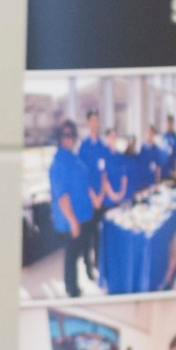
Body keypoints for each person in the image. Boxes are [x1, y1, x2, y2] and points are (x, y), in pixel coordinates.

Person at [49, 118, 104, 295]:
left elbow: (85, 181)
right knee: (71, 256)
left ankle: (86, 275)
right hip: (72, 219)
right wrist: (72, 220)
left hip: (85, 214)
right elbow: (62, 196)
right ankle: (71, 289)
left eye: (72, 134)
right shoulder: (58, 163)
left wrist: (94, 197)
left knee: (82, 250)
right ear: (59, 137)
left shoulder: (74, 157)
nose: (69, 138)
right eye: (65, 135)